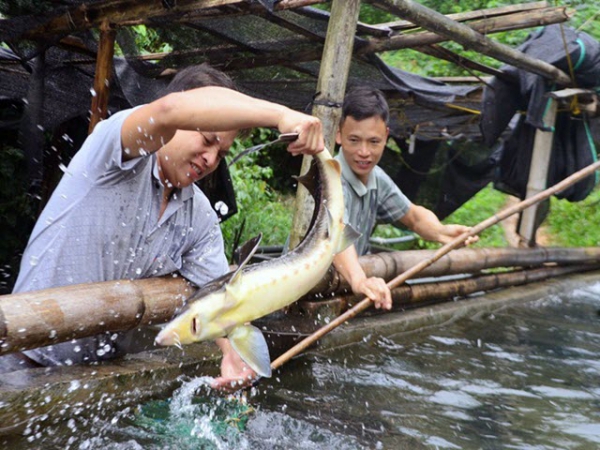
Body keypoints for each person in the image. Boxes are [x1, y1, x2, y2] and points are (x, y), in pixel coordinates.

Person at [8, 64, 325, 391]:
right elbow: (170, 110)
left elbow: (223, 294)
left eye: (221, 152)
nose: (211, 159)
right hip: (21, 360)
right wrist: (281, 116)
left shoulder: (198, 216)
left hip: (94, 378)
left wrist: (232, 354)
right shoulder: (113, 151)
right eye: (207, 139)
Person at [332, 86, 477, 304]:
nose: (364, 152)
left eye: (374, 141)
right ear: (338, 135)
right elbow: (336, 235)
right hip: (305, 290)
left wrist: (441, 232)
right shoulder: (331, 179)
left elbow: (414, 216)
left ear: (386, 136)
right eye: (354, 140)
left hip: (343, 288)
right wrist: (360, 280)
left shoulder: (376, 177)